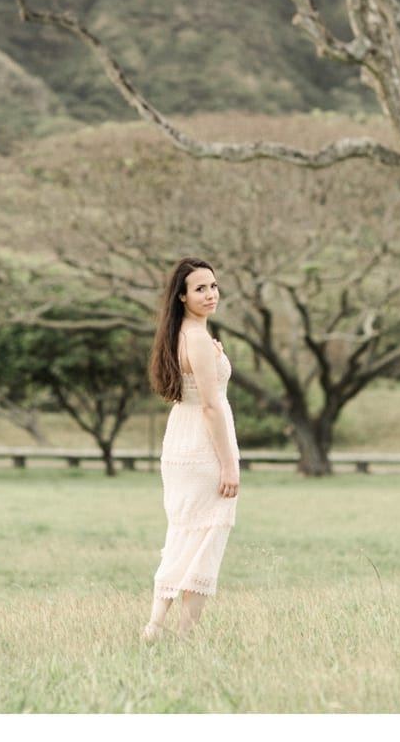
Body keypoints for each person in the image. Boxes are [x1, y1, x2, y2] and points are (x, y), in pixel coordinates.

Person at [140, 257, 240, 642]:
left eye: (213, 286)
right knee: (206, 538)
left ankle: (155, 627)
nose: (210, 294)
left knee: (183, 535)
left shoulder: (183, 333)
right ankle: (184, 636)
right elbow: (212, 406)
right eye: (200, 288)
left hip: (182, 437)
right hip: (203, 445)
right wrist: (229, 465)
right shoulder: (196, 338)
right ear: (182, 296)